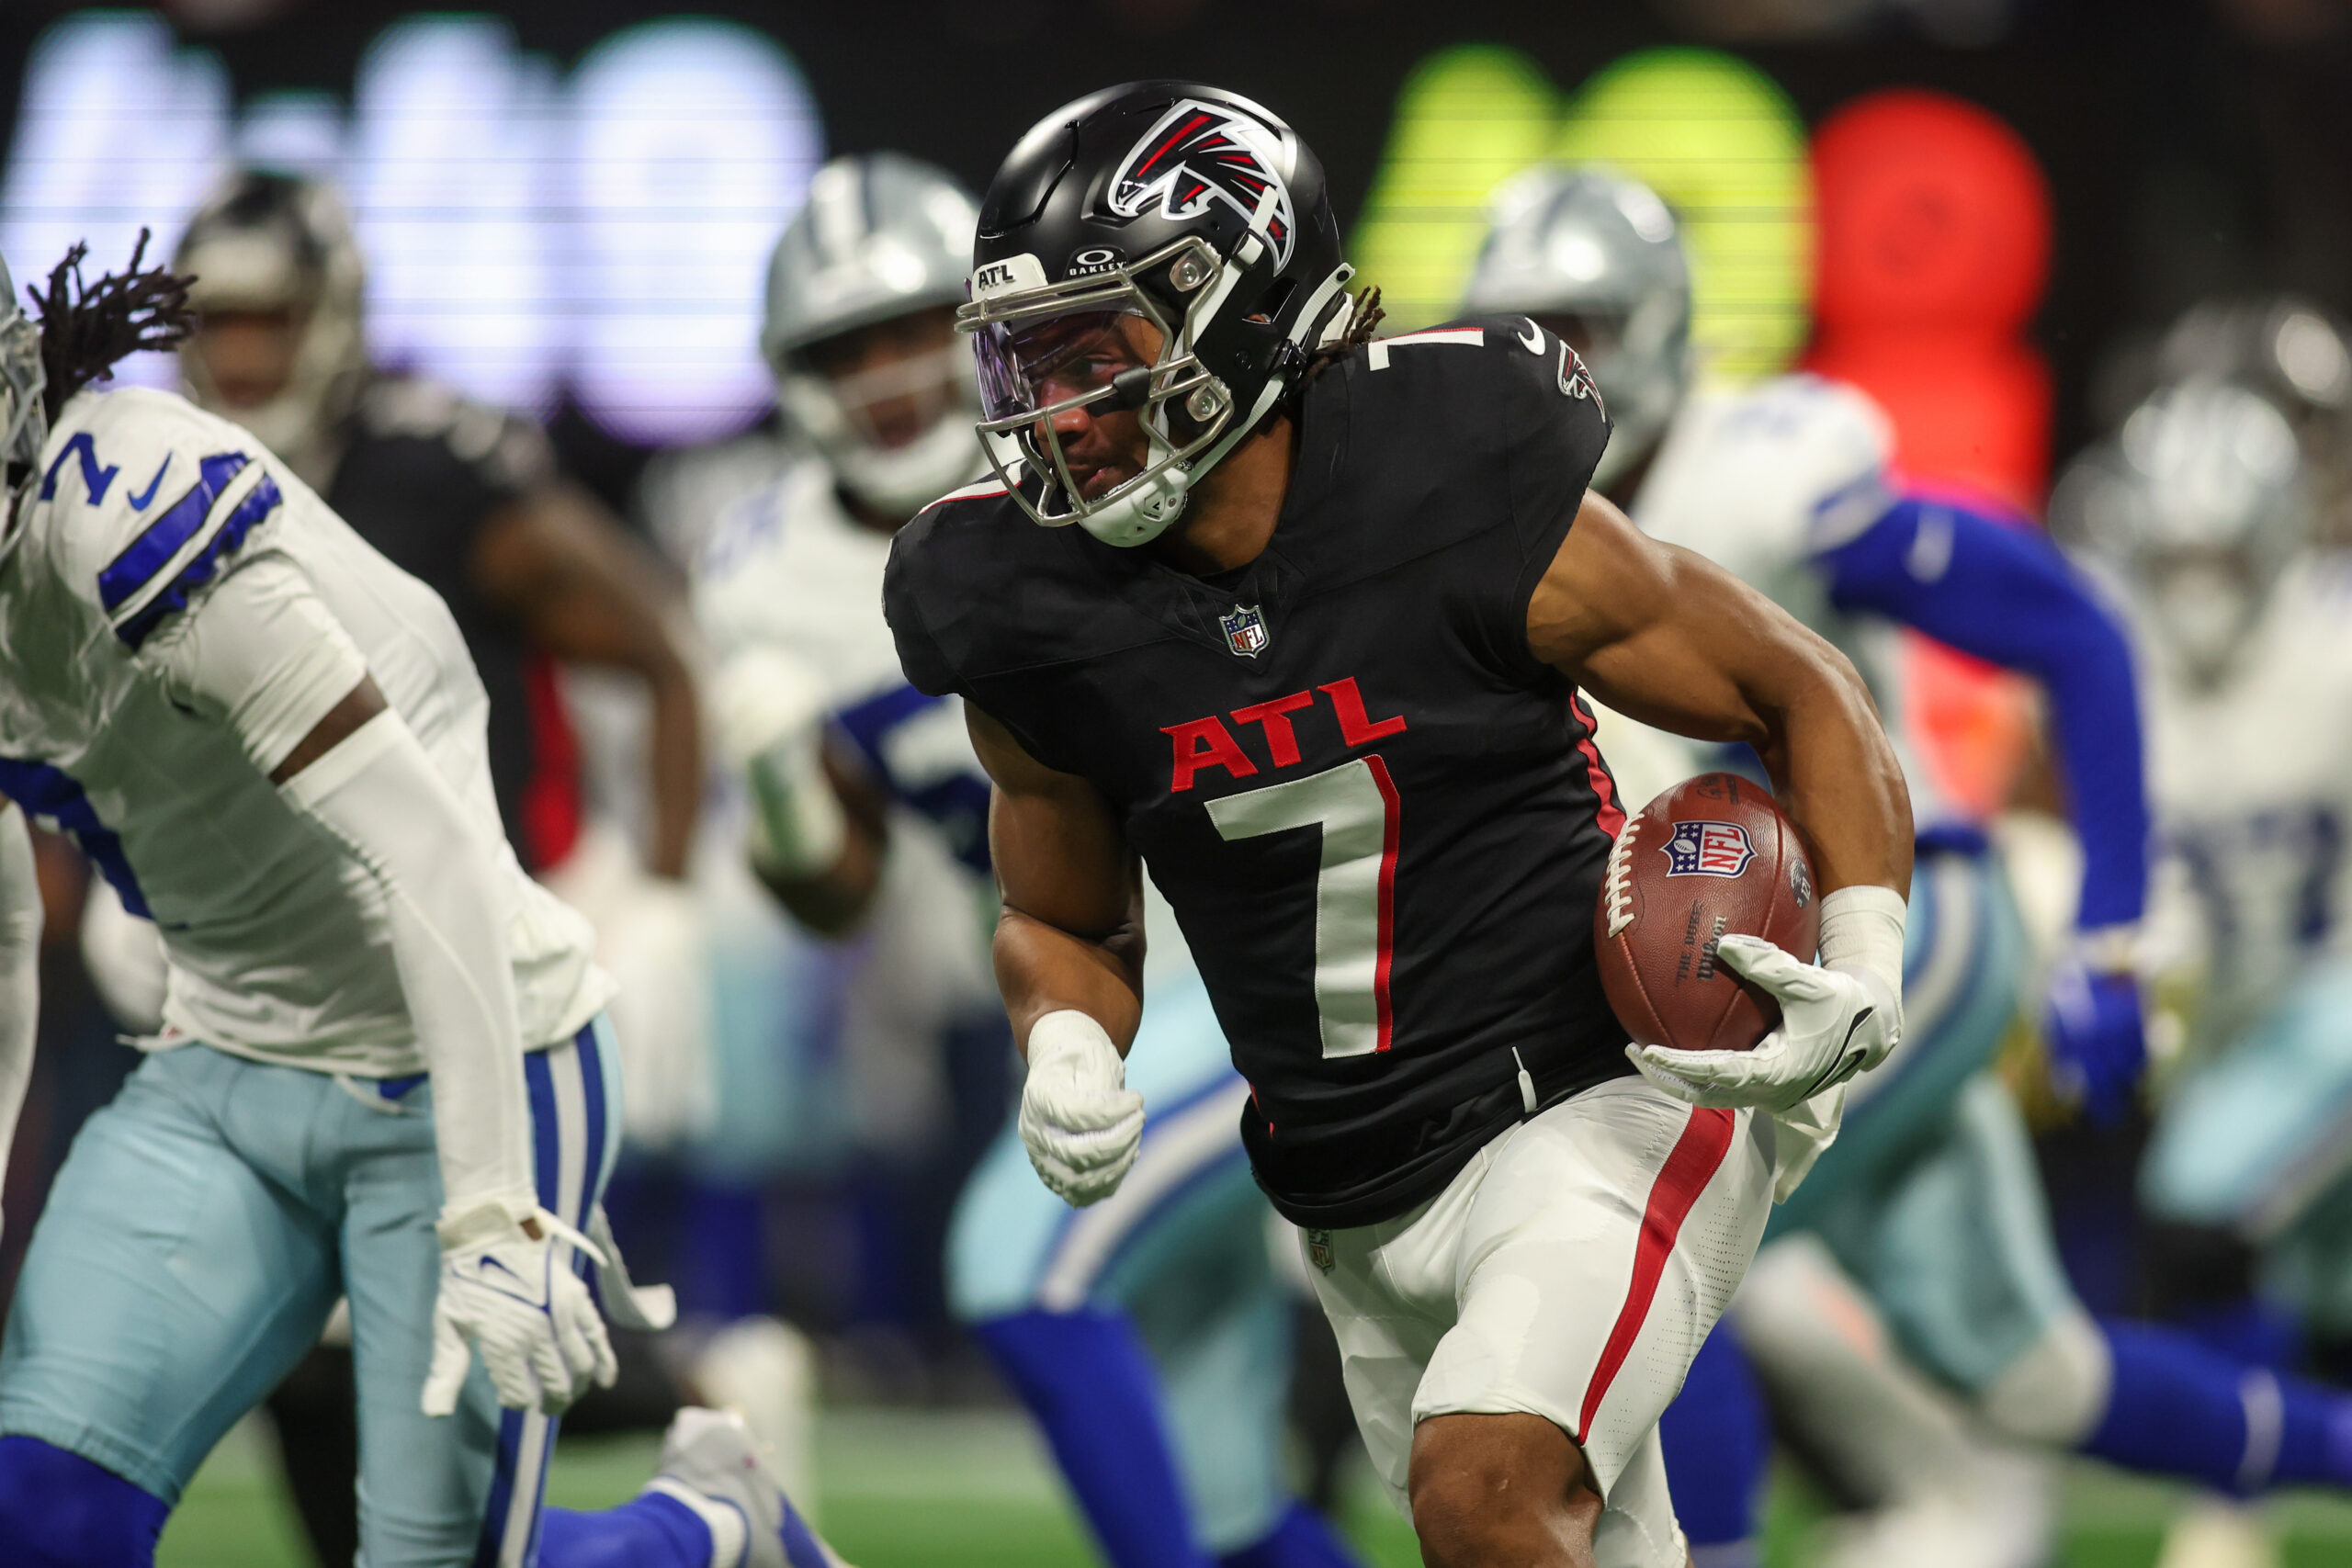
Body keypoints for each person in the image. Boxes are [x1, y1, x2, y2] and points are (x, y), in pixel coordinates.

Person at [885, 83, 1917, 1568]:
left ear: (1238, 311)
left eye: (1093, 355)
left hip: (1602, 1093)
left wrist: (1868, 950)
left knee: (1481, 1504)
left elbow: (1796, 688)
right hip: (1348, 1191)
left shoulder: (1448, 467)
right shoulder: (1019, 602)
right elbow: (1060, 912)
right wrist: (1062, 1040)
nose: (1056, 415)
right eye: (1025, 364)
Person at [1462, 164, 2352, 1567]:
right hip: (1739, 980)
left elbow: (2069, 628)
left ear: (1664, 320)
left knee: (1640, 1239)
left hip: (1896, 917)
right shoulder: (1487, 523)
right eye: (1523, 331)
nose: (1557, 367)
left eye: (1582, 323)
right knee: (2033, 1376)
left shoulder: (1758, 473)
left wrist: (2112, 929)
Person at [0, 236, 835, 1568]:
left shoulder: (130, 508)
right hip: (219, 1063)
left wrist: (496, 1206)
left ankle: (705, 1527)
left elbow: (431, 852)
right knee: (37, 1510)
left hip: (454, 1061)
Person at [700, 149, 1357, 1568]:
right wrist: (782, 789)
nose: (883, 378)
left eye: (904, 331)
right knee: (1224, 1500)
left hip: (1257, 968)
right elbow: (840, 895)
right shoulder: (761, 573)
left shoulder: (1129, 461)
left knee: (1016, 1269)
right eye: (841, 348)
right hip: (1091, 1005)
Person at [2058, 379, 2352, 1565]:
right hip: (2236, 1026)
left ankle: (2229, 1504)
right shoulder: (2118, 676)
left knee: (2198, 1203)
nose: (2193, 589)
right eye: (2170, 557)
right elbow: (2137, 880)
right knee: (2322, 1296)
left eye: (2219, 558)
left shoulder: (2333, 655)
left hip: (2334, 998)